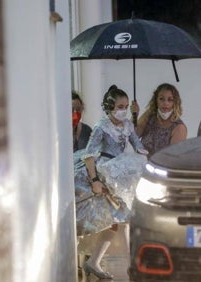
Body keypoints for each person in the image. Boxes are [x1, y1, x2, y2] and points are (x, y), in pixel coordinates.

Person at [74, 85, 148, 279]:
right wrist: (95, 180)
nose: (123, 109)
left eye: (126, 105)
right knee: (115, 221)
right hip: (105, 172)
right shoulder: (101, 126)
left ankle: (96, 262)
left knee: (119, 220)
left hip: (120, 174)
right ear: (110, 107)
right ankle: (129, 265)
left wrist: (134, 116)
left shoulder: (127, 125)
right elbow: (89, 155)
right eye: (120, 106)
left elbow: (139, 147)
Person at [131, 83, 187, 158]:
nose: (165, 103)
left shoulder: (179, 128)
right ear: (156, 100)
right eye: (161, 99)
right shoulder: (149, 116)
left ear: (175, 103)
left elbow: (174, 159)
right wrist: (134, 116)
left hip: (159, 167)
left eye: (170, 100)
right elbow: (133, 135)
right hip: (139, 162)